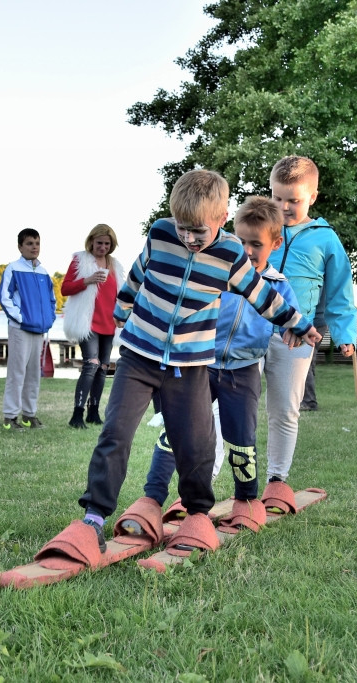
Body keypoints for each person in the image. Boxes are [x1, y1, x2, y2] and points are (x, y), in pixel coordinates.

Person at [71, 169, 320, 553]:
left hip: (189, 367)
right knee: (115, 433)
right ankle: (94, 518)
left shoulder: (231, 255)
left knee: (195, 445)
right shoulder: (160, 233)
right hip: (139, 356)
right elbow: (137, 275)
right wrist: (122, 312)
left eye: (198, 231)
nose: (188, 238)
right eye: (182, 227)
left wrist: (299, 325)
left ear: (221, 221)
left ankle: (198, 514)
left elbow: (262, 296)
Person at [138, 196, 298, 517]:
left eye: (257, 244)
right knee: (178, 429)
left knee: (241, 439)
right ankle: (152, 497)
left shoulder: (278, 286)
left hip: (243, 372)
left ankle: (246, 501)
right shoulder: (212, 272)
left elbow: (288, 320)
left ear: (276, 243)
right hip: (200, 365)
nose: (248, 250)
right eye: (241, 241)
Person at [265, 155, 357, 485]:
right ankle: (208, 477)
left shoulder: (325, 239)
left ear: (313, 197)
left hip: (295, 336)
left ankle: (277, 479)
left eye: (294, 200)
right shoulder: (259, 226)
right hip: (249, 333)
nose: (284, 207)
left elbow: (340, 291)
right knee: (227, 406)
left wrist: (346, 333)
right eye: (277, 198)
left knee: (285, 410)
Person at [61, 224, 126, 429]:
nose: (103, 247)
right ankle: (77, 414)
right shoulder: (80, 260)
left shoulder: (115, 265)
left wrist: (122, 315)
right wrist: (87, 280)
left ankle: (94, 412)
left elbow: (119, 295)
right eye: (99, 243)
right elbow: (65, 288)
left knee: (102, 369)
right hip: (87, 322)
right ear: (91, 241)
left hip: (109, 322)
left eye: (107, 244)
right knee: (91, 365)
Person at [0, 228, 56, 431]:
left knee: (33, 373)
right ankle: (10, 417)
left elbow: (51, 299)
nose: (34, 247)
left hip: (39, 331)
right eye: (30, 243)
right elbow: (4, 297)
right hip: (20, 329)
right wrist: (22, 318)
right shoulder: (13, 269)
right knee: (17, 373)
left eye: (37, 243)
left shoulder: (43, 272)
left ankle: (29, 415)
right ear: (20, 246)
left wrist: (49, 318)